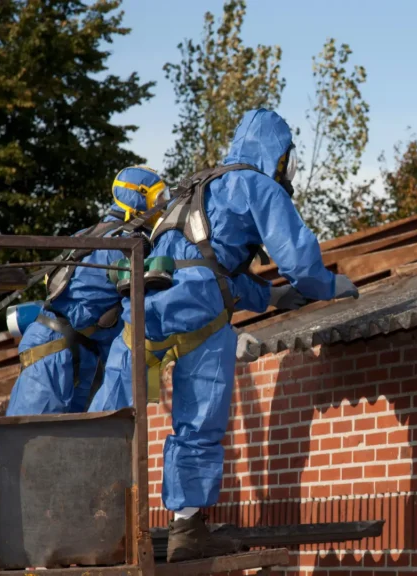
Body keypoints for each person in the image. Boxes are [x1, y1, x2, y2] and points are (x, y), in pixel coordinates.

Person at [89, 109, 359, 562]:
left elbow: (205, 265)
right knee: (198, 420)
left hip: (143, 311)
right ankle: (188, 528)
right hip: (201, 316)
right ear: (279, 155)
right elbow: (299, 262)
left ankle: (82, 515)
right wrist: (328, 285)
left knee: (107, 420)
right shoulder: (258, 185)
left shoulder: (198, 188)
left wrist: (270, 297)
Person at [5, 166, 169, 415]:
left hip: (75, 350)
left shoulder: (92, 234)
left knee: (70, 444)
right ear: (138, 196)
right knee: (29, 440)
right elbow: (145, 309)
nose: (162, 205)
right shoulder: (129, 246)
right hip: (55, 348)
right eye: (158, 197)